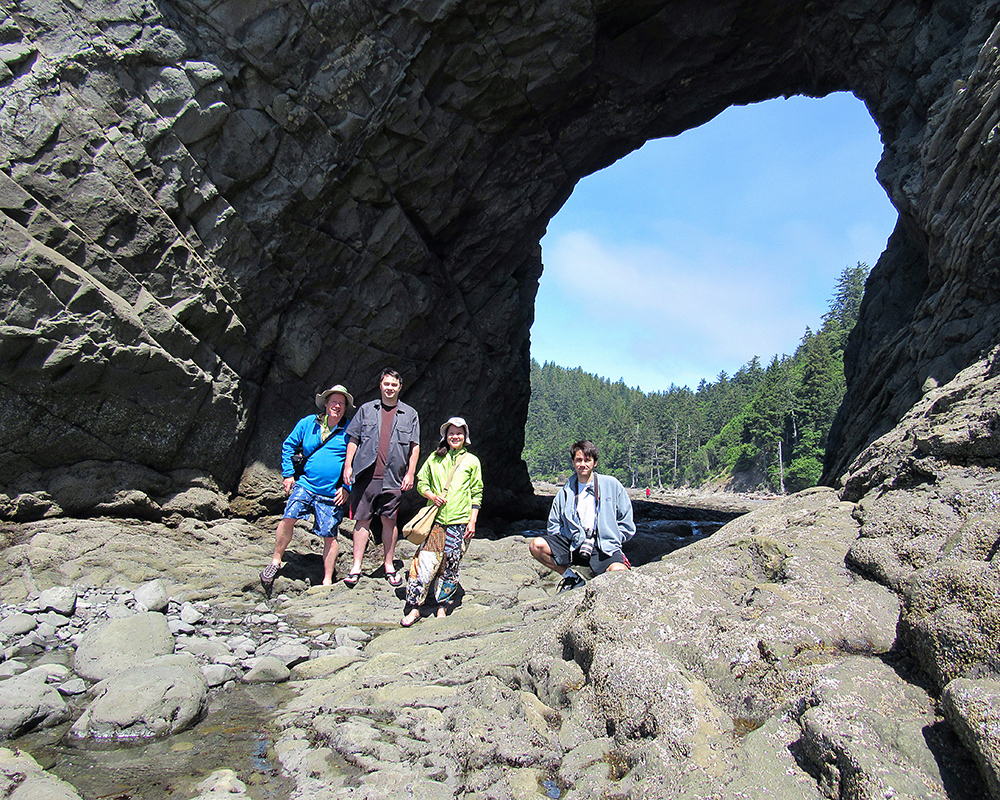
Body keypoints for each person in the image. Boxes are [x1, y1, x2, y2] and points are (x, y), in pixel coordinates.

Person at [261, 385, 353, 594]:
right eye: (333, 401)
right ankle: (275, 562)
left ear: (345, 407)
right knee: (288, 517)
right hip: (306, 484)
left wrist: (347, 488)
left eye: (341, 403)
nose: (337, 406)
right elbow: (288, 446)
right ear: (326, 403)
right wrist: (287, 474)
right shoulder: (308, 423)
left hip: (331, 491)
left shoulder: (349, 431)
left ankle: (327, 580)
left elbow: (355, 462)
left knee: (330, 535)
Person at [401, 417, 483, 626]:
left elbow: (476, 493)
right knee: (424, 564)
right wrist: (431, 495)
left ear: (466, 437)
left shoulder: (472, 461)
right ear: (445, 436)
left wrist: (472, 521)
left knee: (450, 565)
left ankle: (442, 606)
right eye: (451, 433)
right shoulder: (434, 458)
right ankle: (415, 608)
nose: (455, 436)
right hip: (435, 522)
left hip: (459, 522)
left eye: (459, 433)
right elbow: (421, 482)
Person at [342, 368, 420, 587]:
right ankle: (356, 567)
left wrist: (410, 473)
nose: (390, 388)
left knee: (390, 520)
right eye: (386, 384)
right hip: (366, 474)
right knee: (362, 520)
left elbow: (415, 446)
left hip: (393, 477)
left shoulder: (410, 414)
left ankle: (389, 565)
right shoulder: (367, 410)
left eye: (394, 385)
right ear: (380, 385)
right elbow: (353, 439)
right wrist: (348, 466)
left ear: (400, 387)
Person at [529, 439, 635, 593]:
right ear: (573, 462)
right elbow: (553, 525)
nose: (582, 464)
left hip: (603, 547)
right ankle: (571, 578)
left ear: (595, 463)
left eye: (587, 460)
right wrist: (569, 537)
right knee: (536, 545)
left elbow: (627, 522)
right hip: (574, 544)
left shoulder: (612, 485)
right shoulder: (565, 492)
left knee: (619, 573)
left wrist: (612, 537)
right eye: (578, 460)